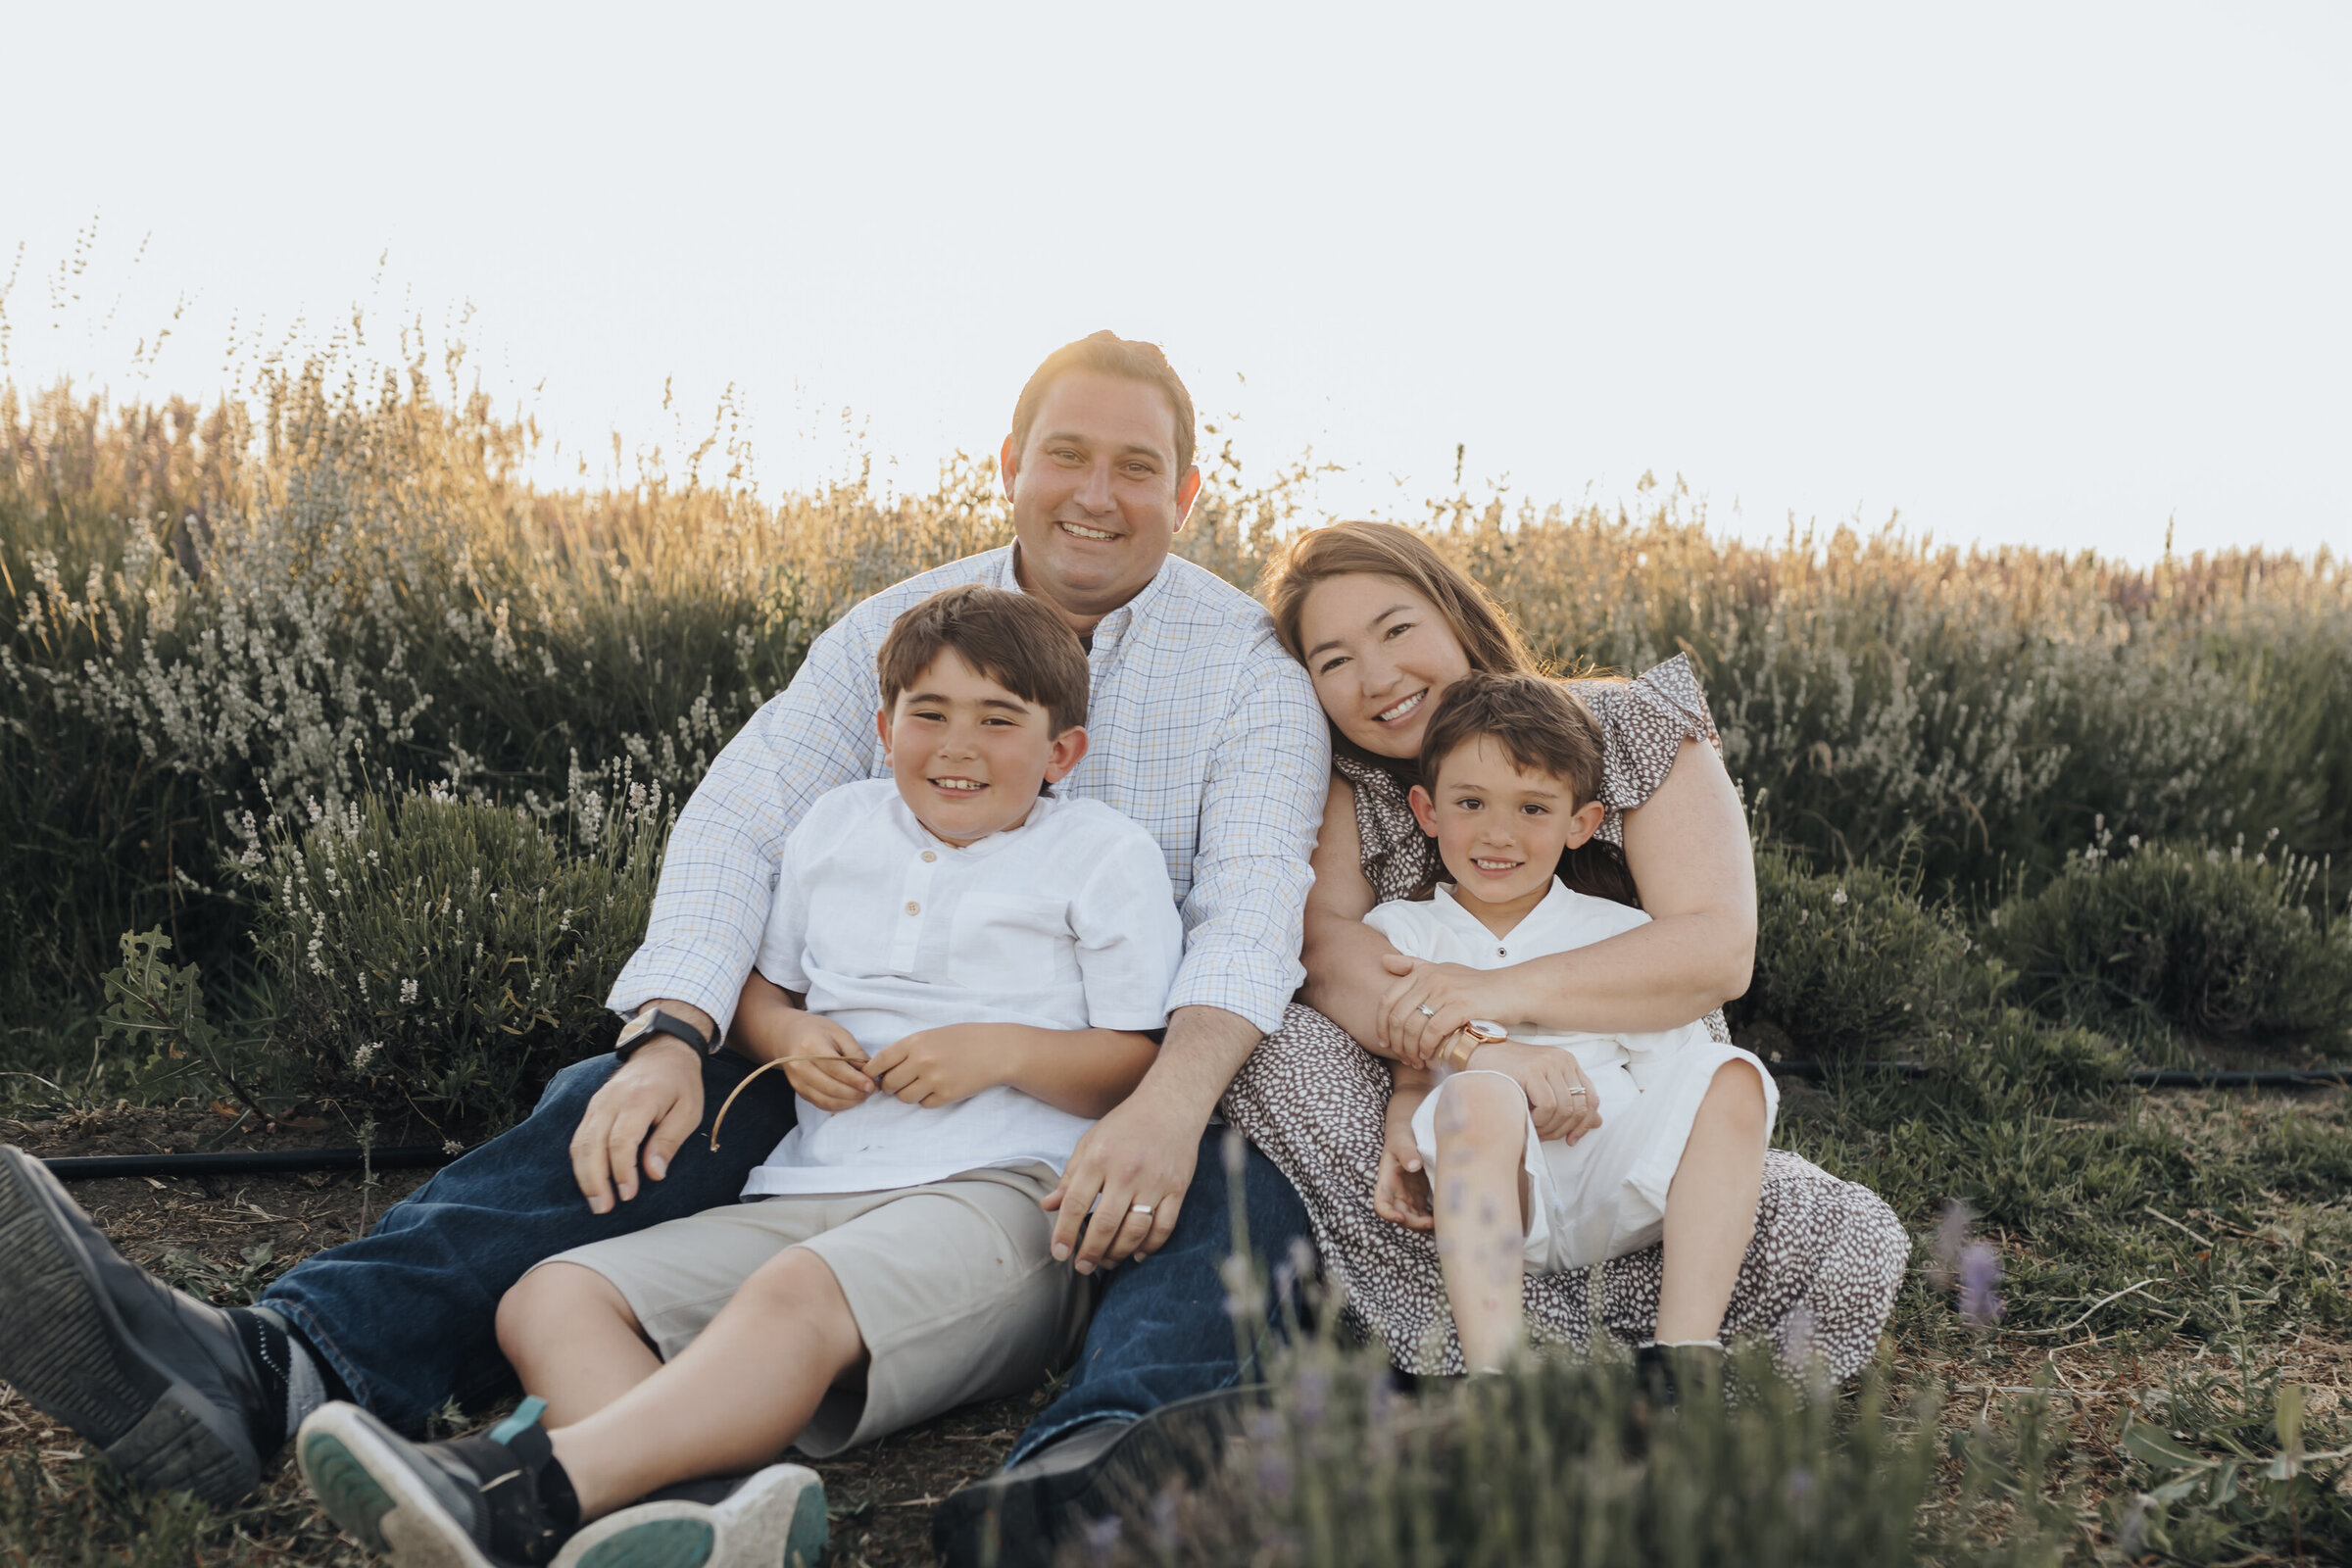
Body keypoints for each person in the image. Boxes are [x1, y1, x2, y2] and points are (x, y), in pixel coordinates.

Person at [0, 333, 1332, 1568]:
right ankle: (272, 1369)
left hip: (1092, 1095)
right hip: (841, 1097)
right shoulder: (896, 627)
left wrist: (1162, 1099)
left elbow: (1252, 907)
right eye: (1068, 455)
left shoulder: (1244, 670)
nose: (1096, 494)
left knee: (1224, 1170)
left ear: (1190, 492)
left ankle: (1087, 1477)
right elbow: (743, 827)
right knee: (612, 1110)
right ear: (1009, 467)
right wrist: (678, 1034)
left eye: (1136, 467)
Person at [292, 585, 1188, 1568]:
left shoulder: (1102, 854)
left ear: (1062, 752)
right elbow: (764, 992)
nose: (956, 746)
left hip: (1004, 1199)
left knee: (792, 1295)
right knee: (549, 1296)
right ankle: (707, 1517)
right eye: (928, 713)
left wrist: (1002, 1049)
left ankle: (520, 1490)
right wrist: (791, 1034)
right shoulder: (839, 829)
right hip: (812, 1180)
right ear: (884, 728)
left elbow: (1136, 1062)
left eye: (998, 720)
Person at [1217, 520, 1907, 1389]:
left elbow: (1714, 951)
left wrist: (1490, 993)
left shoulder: (1624, 727)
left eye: (1396, 630)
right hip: (1455, 1137)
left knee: (1841, 1237)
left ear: (1454, 611)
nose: (1379, 676)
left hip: (1628, 1118)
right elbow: (1324, 956)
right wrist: (1481, 1053)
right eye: (1335, 660)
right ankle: (1484, 1348)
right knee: (1270, 1042)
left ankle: (1668, 1350)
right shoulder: (1346, 786)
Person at [1364, 671, 1775, 1378]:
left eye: (1532, 808)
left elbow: (1669, 1071)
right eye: (1471, 803)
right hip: (1494, 1198)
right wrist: (1402, 1132)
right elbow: (1409, 1068)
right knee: (1481, 1094)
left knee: (1733, 1074)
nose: (1499, 834)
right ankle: (1497, 1377)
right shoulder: (1403, 932)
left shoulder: (1617, 931)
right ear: (1426, 810)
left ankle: (1684, 1359)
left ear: (1580, 823)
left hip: (1618, 1179)